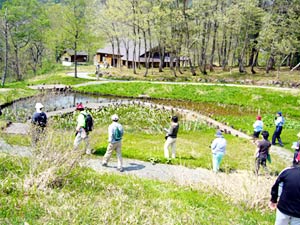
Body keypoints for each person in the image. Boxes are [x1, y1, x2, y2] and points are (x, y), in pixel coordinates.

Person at [269, 151, 300, 224]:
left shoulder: (287, 171)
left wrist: (273, 200)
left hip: (283, 208)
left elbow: (276, 186)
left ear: (297, 159)